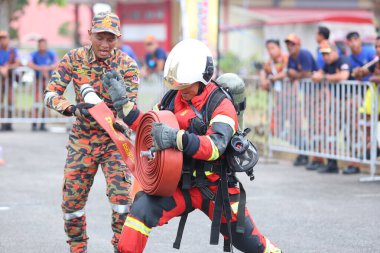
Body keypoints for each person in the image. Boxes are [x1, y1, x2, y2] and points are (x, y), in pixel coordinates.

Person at [105, 39, 282, 253]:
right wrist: (123, 105)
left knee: (252, 244)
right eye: (178, 85)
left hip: (216, 189)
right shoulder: (172, 98)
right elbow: (148, 127)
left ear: (202, 79)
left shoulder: (221, 105)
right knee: (141, 210)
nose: (181, 90)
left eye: (185, 85)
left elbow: (215, 146)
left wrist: (177, 139)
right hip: (179, 187)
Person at [44, 12, 139, 253]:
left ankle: (121, 248)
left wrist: (120, 109)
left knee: (122, 201)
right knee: (72, 203)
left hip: (114, 141)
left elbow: (132, 111)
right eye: (100, 38)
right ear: (90, 35)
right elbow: (50, 93)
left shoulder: (127, 65)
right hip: (82, 140)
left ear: (118, 38)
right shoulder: (74, 59)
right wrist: (72, 109)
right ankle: (77, 248)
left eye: (111, 38)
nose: (105, 44)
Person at [312, 42, 351, 173]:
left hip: (349, 101)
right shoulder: (327, 64)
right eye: (323, 54)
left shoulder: (343, 60)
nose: (325, 56)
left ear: (335, 52)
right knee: (331, 133)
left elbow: (344, 76)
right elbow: (318, 75)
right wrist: (319, 76)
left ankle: (354, 165)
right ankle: (332, 164)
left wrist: (324, 77)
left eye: (327, 53)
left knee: (351, 133)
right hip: (335, 102)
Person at [344, 31, 377, 174]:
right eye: (377, 46)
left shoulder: (370, 53)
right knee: (364, 125)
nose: (378, 49)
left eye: (355, 39)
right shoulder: (350, 58)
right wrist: (359, 73)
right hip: (368, 97)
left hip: (373, 95)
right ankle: (364, 155)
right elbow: (362, 73)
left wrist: (373, 79)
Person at [285, 33, 319, 167]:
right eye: (288, 44)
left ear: (298, 45)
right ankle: (304, 152)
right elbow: (289, 72)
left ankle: (316, 157)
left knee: (314, 125)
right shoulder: (291, 57)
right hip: (305, 94)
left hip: (316, 93)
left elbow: (307, 73)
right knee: (303, 124)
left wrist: (296, 75)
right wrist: (295, 74)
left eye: (292, 44)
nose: (289, 46)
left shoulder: (303, 54)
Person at [28, 38, 58, 131]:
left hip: (48, 81)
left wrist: (47, 68)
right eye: (41, 45)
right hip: (38, 80)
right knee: (36, 101)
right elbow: (29, 64)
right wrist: (41, 69)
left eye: (44, 44)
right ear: (38, 45)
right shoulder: (34, 54)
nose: (42, 46)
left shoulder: (51, 53)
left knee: (46, 102)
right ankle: (34, 122)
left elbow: (57, 63)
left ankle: (43, 123)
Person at [260, 39, 288, 137]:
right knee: (275, 125)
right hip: (278, 98)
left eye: (273, 48)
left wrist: (271, 79)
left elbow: (286, 72)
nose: (270, 51)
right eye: (268, 49)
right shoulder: (270, 62)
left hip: (290, 97)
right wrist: (263, 80)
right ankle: (277, 144)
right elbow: (263, 71)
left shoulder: (286, 58)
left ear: (279, 48)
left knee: (294, 124)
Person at [0, 30, 20, 131]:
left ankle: (9, 123)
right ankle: (2, 122)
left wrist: (8, 67)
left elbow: (17, 63)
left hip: (9, 80)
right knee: (1, 102)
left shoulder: (13, 51)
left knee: (10, 101)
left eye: (4, 38)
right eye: (1, 38)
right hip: (1, 80)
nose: (2, 40)